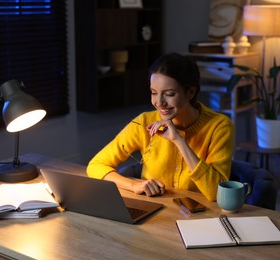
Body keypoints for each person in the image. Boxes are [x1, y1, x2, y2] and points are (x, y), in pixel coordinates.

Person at [87, 52, 234, 201]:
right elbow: (96, 165)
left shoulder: (219, 127)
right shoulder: (144, 122)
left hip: (201, 216)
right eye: (153, 93)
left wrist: (178, 140)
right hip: (155, 212)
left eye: (169, 94)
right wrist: (134, 185)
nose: (159, 102)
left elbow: (217, 193)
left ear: (190, 92)